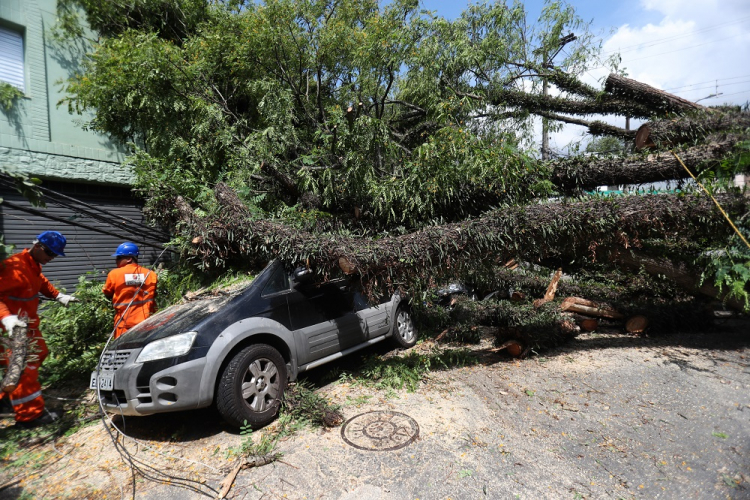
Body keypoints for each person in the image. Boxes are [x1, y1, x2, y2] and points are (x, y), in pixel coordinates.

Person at [0, 231, 78, 428]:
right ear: (38, 247)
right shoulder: (13, 266)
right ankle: (29, 417)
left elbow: (40, 282)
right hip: (13, 329)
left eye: (54, 255)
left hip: (29, 326)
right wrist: (6, 317)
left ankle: (6, 398)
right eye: (50, 254)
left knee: (40, 353)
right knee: (25, 369)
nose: (51, 259)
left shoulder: (33, 266)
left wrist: (58, 295)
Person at [103, 242, 158, 338]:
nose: (116, 260)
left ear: (129, 258)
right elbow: (154, 294)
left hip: (124, 324)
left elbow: (107, 293)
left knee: (123, 351)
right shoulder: (151, 274)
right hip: (148, 322)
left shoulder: (114, 274)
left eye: (119, 257)